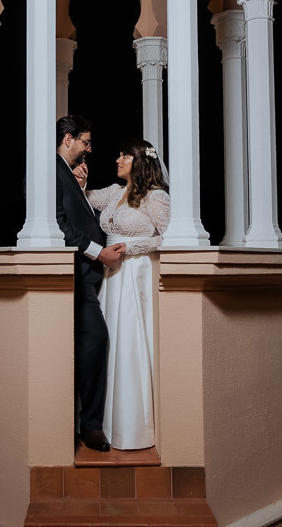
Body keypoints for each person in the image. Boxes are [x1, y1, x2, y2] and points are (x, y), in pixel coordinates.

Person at [75, 139, 169, 450]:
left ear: (140, 161)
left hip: (135, 274)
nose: (117, 159)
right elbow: (84, 198)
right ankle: (100, 421)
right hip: (108, 275)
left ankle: (131, 428)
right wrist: (80, 180)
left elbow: (167, 238)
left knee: (128, 342)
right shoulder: (115, 192)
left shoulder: (157, 197)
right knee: (107, 342)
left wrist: (130, 248)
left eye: (124, 155)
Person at [55, 115, 125, 453]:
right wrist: (100, 254)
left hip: (85, 276)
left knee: (91, 345)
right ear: (68, 139)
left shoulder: (69, 174)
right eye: (84, 141)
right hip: (72, 274)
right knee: (95, 341)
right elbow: (60, 227)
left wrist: (82, 188)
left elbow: (80, 216)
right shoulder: (49, 171)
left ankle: (88, 422)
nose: (89, 149)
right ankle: (90, 425)